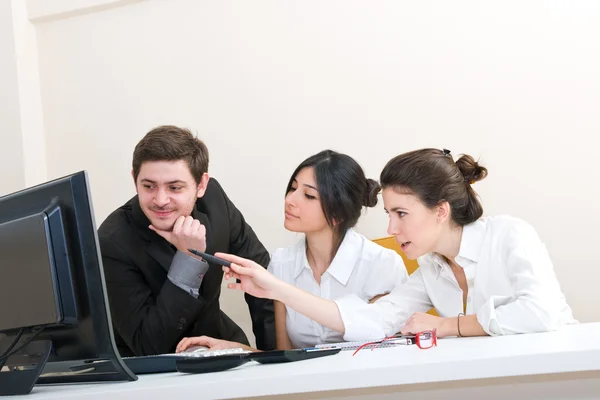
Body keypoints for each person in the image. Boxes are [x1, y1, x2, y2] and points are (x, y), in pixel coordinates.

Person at [207, 148, 576, 342]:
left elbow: (539, 314)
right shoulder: (431, 268)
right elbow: (371, 320)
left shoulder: (510, 234)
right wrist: (275, 287)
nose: (390, 227)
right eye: (387, 213)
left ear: (440, 211)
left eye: (401, 213)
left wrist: (451, 325)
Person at [176, 150, 408, 352]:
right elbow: (288, 357)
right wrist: (237, 349)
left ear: (337, 213)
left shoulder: (382, 264)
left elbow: (385, 347)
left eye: (308, 195)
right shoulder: (282, 263)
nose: (290, 200)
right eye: (293, 188)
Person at [98, 125, 275, 356]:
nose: (160, 200)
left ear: (201, 185)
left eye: (175, 187)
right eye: (149, 186)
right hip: (154, 369)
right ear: (135, 180)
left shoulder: (214, 201)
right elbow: (147, 344)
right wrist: (189, 260)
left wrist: (273, 355)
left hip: (220, 345)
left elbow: (260, 271)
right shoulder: (113, 240)